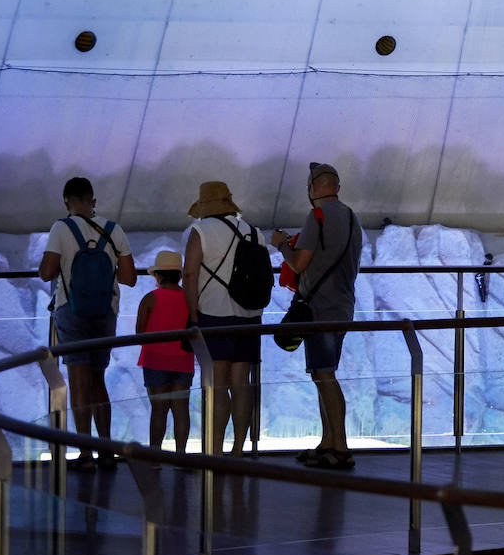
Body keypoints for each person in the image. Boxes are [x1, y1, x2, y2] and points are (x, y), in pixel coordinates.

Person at [38, 176, 137, 470]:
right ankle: (106, 450)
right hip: (105, 313)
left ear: (66, 202)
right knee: (97, 379)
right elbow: (129, 277)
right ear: (93, 202)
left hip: (73, 312)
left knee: (78, 382)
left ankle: (85, 454)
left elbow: (46, 272)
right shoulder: (113, 229)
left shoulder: (61, 228)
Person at [270, 163, 363, 471]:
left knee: (325, 375)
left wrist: (282, 244)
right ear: (337, 187)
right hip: (342, 304)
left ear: (313, 188)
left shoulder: (317, 217)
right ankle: (328, 442)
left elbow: (299, 263)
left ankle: (340, 447)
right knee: (322, 373)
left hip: (319, 307)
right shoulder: (352, 217)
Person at [182, 181, 268, 456]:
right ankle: (239, 449)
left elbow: (189, 274)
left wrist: (193, 313)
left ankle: (215, 450)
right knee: (240, 383)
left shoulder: (200, 231)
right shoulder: (255, 232)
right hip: (249, 316)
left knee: (217, 385)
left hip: (214, 315)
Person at [135, 250, 194, 454]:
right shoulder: (189, 298)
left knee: (159, 411)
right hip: (183, 360)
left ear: (157, 275)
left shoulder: (150, 298)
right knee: (181, 410)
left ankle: (155, 456)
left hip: (155, 360)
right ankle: (181, 456)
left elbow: (139, 332)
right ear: (179, 276)